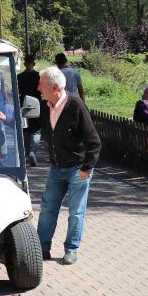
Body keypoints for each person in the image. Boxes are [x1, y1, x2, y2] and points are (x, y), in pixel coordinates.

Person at [36, 66, 101, 265]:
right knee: (47, 208)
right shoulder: (46, 105)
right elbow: (40, 129)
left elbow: (94, 141)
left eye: (41, 85)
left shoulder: (76, 106)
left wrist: (86, 169)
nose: (38, 88)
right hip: (56, 168)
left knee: (76, 212)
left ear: (55, 87)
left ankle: (71, 249)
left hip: (77, 169)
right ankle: (41, 248)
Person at [18, 54, 44, 166]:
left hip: (23, 105)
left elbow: (16, 91)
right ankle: (32, 151)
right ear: (34, 63)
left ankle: (25, 154)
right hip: (36, 105)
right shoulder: (39, 76)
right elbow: (42, 91)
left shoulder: (19, 77)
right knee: (36, 130)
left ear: (24, 63)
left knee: (25, 130)